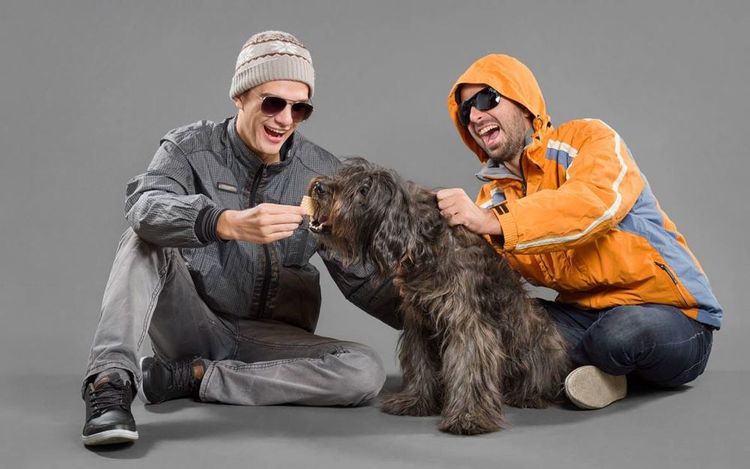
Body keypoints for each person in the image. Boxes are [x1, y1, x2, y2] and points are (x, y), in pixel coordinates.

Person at [81, 31, 400, 446]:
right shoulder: (189, 148)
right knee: (142, 239)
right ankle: (109, 383)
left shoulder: (322, 173)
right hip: (193, 324)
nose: (285, 119)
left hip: (270, 342)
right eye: (273, 103)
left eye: (300, 108)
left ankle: (194, 378)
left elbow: (363, 278)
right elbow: (145, 207)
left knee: (364, 371)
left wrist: (443, 316)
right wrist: (223, 222)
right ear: (240, 97)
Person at [436, 54, 721, 410]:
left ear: (523, 103)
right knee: (499, 319)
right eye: (466, 111)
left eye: (486, 99)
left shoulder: (590, 139)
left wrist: (495, 222)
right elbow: (486, 280)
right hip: (580, 316)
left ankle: (577, 368)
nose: (475, 116)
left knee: (620, 334)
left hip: (670, 315)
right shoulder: (491, 200)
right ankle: (599, 375)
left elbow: (593, 203)